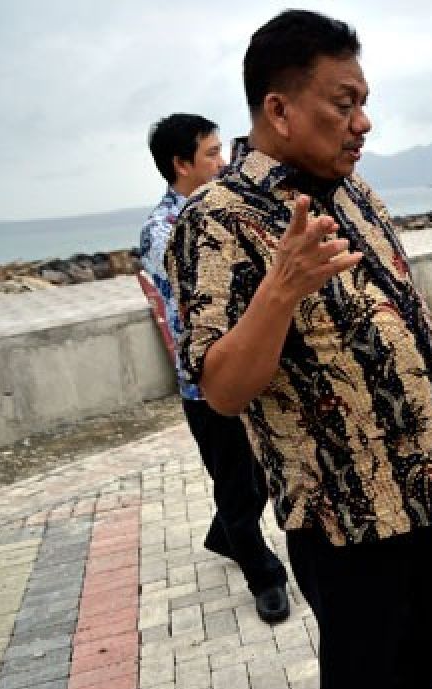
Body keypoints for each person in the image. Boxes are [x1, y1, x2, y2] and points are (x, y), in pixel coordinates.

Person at [165, 11, 432, 689]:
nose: (363, 122)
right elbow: (224, 387)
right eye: (345, 102)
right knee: (358, 663)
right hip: (344, 509)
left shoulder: (354, 188)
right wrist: (279, 289)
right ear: (279, 110)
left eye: (364, 101)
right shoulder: (215, 224)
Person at [140, 113, 290, 624]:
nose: (223, 163)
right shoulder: (163, 230)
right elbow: (214, 284)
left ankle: (225, 533)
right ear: (181, 164)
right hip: (206, 382)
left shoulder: (222, 211)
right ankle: (264, 576)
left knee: (261, 472)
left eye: (223, 151)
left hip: (251, 368)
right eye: (211, 154)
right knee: (236, 484)